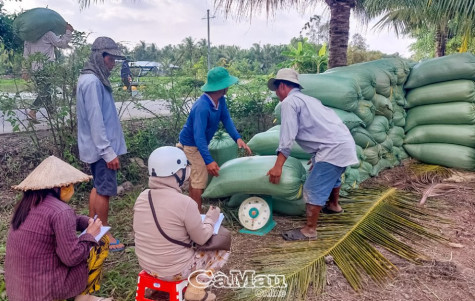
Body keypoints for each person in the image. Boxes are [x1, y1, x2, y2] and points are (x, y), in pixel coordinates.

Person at [266, 68, 359, 241]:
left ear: (283, 86)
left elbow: (287, 137)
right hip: (343, 144)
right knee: (332, 177)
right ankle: (333, 205)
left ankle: (309, 230)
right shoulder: (309, 100)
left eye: (277, 89)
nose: (277, 94)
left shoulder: (289, 102)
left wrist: (277, 166)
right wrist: (317, 155)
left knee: (313, 187)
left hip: (332, 148)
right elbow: (323, 127)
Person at [4, 155, 112, 301]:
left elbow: (67, 220)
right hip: (45, 291)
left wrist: (86, 221)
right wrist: (90, 236)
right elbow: (72, 257)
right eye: (68, 185)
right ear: (60, 187)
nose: (71, 188)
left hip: (19, 289)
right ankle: (83, 296)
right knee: (101, 241)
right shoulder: (60, 210)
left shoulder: (26, 205)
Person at [134, 146, 229, 301]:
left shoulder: (142, 197)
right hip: (175, 270)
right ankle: (196, 290)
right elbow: (202, 238)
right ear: (177, 172)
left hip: (147, 265)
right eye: (185, 167)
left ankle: (159, 290)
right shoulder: (185, 203)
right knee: (223, 245)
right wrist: (211, 219)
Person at [76, 36, 127, 252]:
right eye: (111, 59)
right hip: (101, 149)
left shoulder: (91, 79)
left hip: (97, 148)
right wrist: (108, 152)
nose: (113, 64)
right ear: (100, 56)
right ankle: (104, 234)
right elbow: (96, 121)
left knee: (98, 188)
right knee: (104, 190)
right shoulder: (92, 81)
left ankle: (92, 229)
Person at [178, 66, 252, 212]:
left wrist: (237, 138)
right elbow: (198, 136)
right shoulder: (202, 107)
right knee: (199, 179)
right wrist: (209, 161)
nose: (228, 87)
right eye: (227, 85)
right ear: (222, 87)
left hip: (200, 143)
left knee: (197, 177)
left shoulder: (220, 101)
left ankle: (194, 206)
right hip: (192, 145)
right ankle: (196, 214)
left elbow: (226, 119)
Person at [23, 23, 74, 122]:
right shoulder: (48, 34)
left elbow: (26, 55)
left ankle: (53, 114)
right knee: (45, 91)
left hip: (35, 69)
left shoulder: (28, 37)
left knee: (46, 91)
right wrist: (68, 32)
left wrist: (25, 70)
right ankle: (33, 110)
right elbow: (61, 44)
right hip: (47, 68)